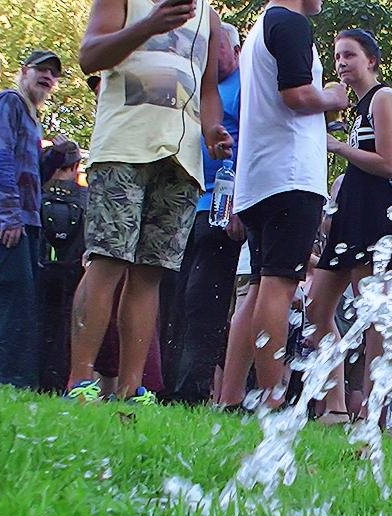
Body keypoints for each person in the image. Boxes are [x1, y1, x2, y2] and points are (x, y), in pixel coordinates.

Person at [67, 0, 232, 402]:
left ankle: (131, 389)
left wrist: (212, 128)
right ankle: (79, 381)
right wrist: (149, 25)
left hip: (183, 160)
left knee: (151, 272)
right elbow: (90, 56)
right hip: (123, 146)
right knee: (107, 260)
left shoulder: (209, 16)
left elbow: (208, 88)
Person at [216, 0, 349, 409]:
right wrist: (333, 97)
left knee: (258, 286)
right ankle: (273, 403)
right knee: (278, 284)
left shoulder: (259, 29)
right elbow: (297, 95)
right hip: (290, 175)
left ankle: (230, 397)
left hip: (259, 176)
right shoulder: (290, 22)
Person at [303, 29, 392, 422]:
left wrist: (339, 148)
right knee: (316, 311)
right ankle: (335, 405)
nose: (342, 63)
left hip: (374, 216)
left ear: (371, 60)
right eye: (337, 57)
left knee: (373, 317)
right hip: (347, 215)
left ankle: (371, 413)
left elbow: (388, 163)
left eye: (349, 55)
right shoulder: (356, 108)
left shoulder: (384, 98)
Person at [0, 50, 61, 389]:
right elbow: (0, 157)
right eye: (41, 70)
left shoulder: (32, 117)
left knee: (17, 305)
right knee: (3, 303)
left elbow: (30, 176)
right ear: (23, 72)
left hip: (25, 222)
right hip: (5, 223)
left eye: (53, 74)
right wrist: (9, 216)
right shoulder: (9, 103)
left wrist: (53, 159)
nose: (48, 77)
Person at [168, 22, 246, 405]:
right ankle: (168, 385)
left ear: (236, 51)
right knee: (178, 296)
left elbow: (253, 143)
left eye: (218, 48)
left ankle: (193, 391)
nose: (211, 56)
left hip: (223, 205)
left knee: (206, 299)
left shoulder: (245, 86)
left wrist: (241, 203)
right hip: (188, 200)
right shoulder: (201, 85)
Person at [37, 141, 88, 392]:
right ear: (75, 166)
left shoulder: (35, 194)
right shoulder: (85, 197)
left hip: (40, 268)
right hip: (74, 270)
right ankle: (62, 380)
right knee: (69, 324)